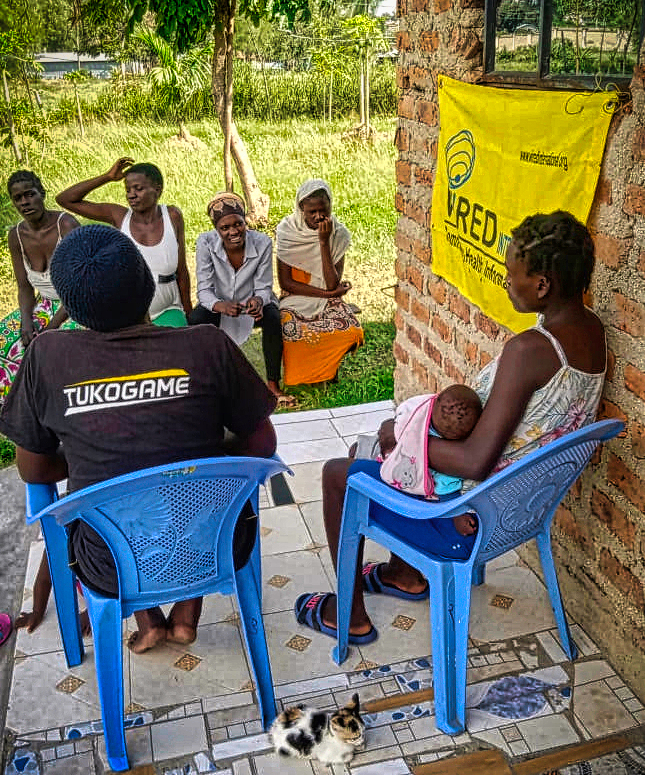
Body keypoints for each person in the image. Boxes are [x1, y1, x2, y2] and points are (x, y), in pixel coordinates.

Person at [294, 210, 606, 644]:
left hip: (466, 518)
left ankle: (350, 614)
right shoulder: (591, 332)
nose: (505, 281)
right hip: (517, 511)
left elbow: (474, 461)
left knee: (339, 475)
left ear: (542, 285)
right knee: (367, 456)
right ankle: (403, 574)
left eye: (511, 273)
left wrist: (403, 439)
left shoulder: (530, 350)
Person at [0, 225, 277, 654]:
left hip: (108, 567)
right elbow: (262, 445)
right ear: (149, 284)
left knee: (110, 500)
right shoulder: (207, 344)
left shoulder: (48, 356)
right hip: (218, 547)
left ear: (69, 306)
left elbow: (33, 469)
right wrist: (200, 454)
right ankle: (186, 614)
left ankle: (147, 623)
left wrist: (93, 458)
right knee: (190, 494)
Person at [56, 157, 191, 327]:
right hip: (128, 316)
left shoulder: (172, 216)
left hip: (168, 309)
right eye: (127, 190)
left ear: (158, 189)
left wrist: (188, 311)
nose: (131, 195)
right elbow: (65, 199)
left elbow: (182, 271)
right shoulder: (120, 216)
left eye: (138, 188)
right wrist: (107, 177)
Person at [189, 193, 293, 406]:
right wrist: (220, 306)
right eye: (224, 228)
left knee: (273, 317)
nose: (233, 232)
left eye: (238, 224)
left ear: (246, 221)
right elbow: (204, 290)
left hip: (250, 304)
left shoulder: (262, 242)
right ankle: (207, 383)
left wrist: (257, 301)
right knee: (196, 319)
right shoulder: (205, 243)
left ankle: (273, 384)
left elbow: (264, 286)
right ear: (216, 230)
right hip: (220, 304)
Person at [1, 171, 81, 404]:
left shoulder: (65, 225)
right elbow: (24, 287)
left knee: (58, 351)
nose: (25, 202)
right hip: (44, 305)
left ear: (42, 194)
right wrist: (26, 320)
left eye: (30, 194)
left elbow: (78, 285)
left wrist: (52, 327)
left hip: (77, 306)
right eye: (18, 198)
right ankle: (19, 412)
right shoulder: (16, 235)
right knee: (9, 344)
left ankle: (63, 409)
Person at [276, 179, 364, 386]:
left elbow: (332, 284)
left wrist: (323, 242)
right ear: (301, 210)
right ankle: (302, 378)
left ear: (330, 206)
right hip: (295, 298)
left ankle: (326, 373)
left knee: (351, 331)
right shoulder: (288, 232)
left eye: (323, 210)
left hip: (327, 297)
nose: (318, 217)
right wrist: (327, 295)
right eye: (311, 212)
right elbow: (286, 282)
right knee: (292, 330)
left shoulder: (338, 234)